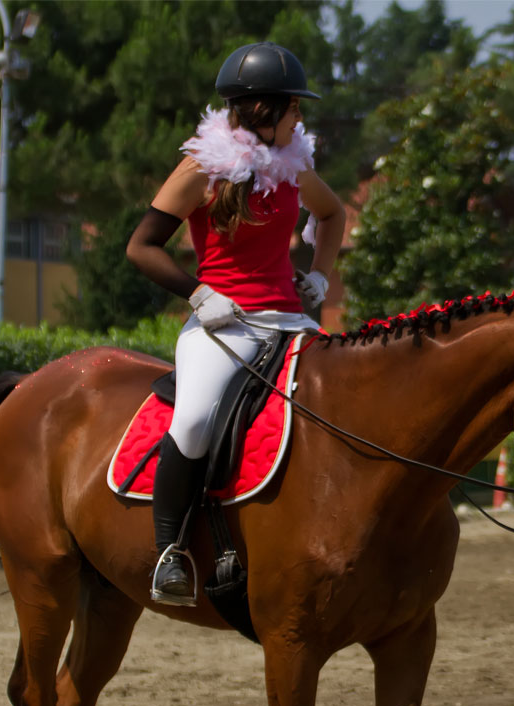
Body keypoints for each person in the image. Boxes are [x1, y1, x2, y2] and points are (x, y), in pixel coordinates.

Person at [126, 41, 344, 606]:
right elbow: (141, 248)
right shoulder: (202, 169)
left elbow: (333, 213)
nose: (301, 116)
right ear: (263, 108)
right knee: (196, 420)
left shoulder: (295, 165)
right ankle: (170, 551)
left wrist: (318, 277)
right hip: (222, 326)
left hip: (290, 321)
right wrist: (198, 294)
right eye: (295, 106)